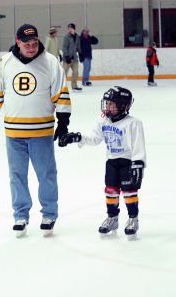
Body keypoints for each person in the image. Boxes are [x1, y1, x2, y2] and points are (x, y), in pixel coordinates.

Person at [0, 23, 71, 237]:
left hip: (42, 131)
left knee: (46, 174)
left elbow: (61, 92)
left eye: (34, 43)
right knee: (16, 175)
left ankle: (49, 212)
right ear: (17, 42)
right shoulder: (4, 63)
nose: (31, 48)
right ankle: (20, 214)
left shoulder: (50, 62)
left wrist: (63, 121)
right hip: (14, 133)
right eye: (27, 44)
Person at [59, 86, 146, 237]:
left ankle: (133, 219)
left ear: (123, 106)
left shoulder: (133, 123)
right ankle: (112, 218)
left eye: (112, 104)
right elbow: (95, 139)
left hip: (127, 162)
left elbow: (138, 146)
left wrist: (138, 163)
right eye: (107, 103)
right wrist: (78, 137)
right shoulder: (103, 119)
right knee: (110, 191)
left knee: (129, 191)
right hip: (111, 162)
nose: (107, 107)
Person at [62, 23, 82, 91]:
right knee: (64, 73)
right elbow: (64, 47)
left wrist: (80, 54)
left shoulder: (77, 37)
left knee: (76, 72)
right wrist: (66, 56)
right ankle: (61, 86)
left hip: (75, 59)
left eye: (71, 28)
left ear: (74, 28)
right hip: (67, 58)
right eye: (69, 28)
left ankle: (74, 86)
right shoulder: (66, 37)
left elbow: (79, 46)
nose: (70, 29)